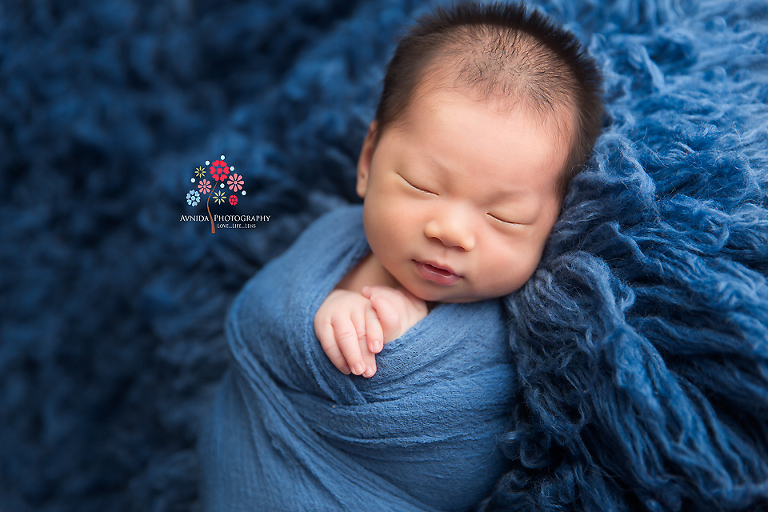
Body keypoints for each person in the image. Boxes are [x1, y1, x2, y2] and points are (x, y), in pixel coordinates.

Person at [315, 0, 603, 378]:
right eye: (421, 185)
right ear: (368, 160)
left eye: (505, 217)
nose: (451, 232)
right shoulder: (325, 242)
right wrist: (322, 317)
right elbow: (263, 313)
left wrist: (406, 348)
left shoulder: (523, 342)